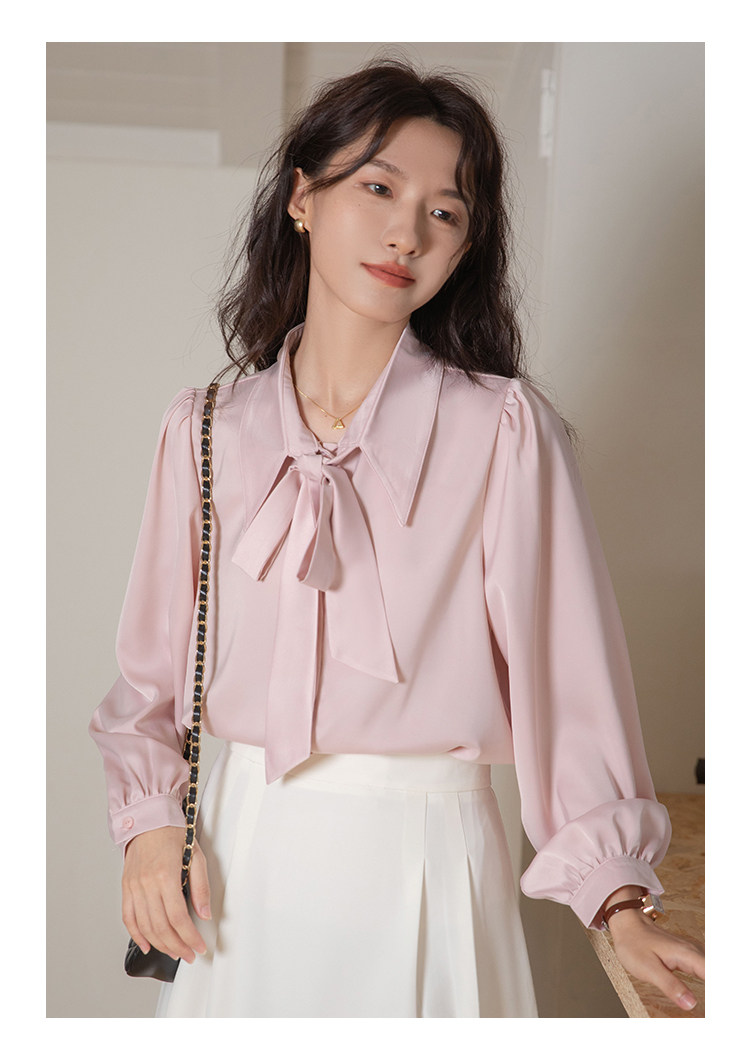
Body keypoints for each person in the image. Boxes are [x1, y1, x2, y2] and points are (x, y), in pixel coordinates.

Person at [90, 59, 705, 1018]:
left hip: (427, 858)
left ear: (466, 245)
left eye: (444, 212)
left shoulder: (504, 433)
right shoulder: (205, 428)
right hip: (235, 858)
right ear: (303, 197)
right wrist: (146, 827)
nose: (407, 233)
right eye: (378, 188)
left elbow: (570, 684)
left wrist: (620, 900)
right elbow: (148, 686)